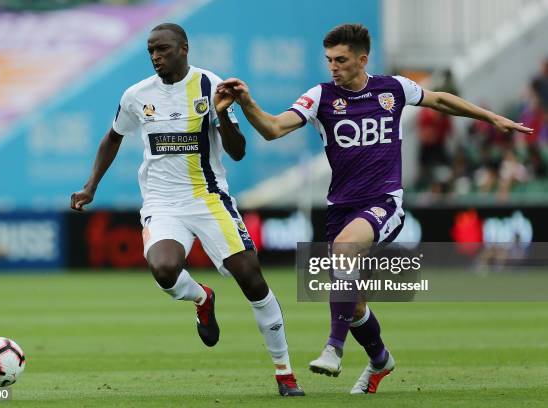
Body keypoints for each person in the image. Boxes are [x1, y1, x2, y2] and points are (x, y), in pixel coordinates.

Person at [217, 23, 532, 395]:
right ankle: (380, 359)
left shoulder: (393, 88)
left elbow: (440, 99)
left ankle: (333, 349)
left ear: (362, 59)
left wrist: (490, 117)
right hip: (340, 209)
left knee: (344, 252)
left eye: (341, 60)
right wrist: (246, 102)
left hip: (385, 202)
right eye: (329, 60)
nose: (333, 67)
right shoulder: (320, 96)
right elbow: (272, 128)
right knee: (352, 304)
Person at [70, 23, 304, 397]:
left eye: (162, 49)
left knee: (252, 279)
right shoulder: (136, 95)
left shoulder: (211, 86)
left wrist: (224, 115)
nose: (155, 56)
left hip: (208, 197)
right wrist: (90, 186)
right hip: (162, 202)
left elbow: (238, 151)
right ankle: (202, 298)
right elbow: (112, 138)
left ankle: (284, 372)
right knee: (163, 268)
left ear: (184, 48)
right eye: (150, 51)